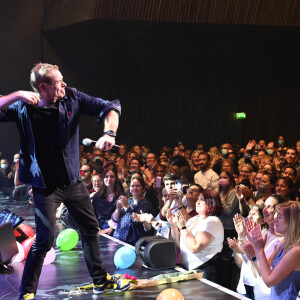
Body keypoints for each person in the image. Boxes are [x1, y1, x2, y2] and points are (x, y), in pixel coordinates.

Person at [0, 62, 130, 299]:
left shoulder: (71, 97)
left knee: (91, 229)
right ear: (43, 87)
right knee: (44, 240)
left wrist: (109, 133)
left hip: (72, 181)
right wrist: (17, 94)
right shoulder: (22, 106)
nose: (64, 84)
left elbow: (109, 107)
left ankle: (101, 281)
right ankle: (27, 293)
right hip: (45, 187)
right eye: (59, 81)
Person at [245, 201, 300, 299]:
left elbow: (269, 281)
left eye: (279, 217)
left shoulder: (296, 251)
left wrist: (259, 249)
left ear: (292, 221)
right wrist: (253, 241)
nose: (274, 222)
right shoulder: (284, 241)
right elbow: (267, 266)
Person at [167, 190, 224, 284]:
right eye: (198, 199)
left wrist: (182, 227)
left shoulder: (212, 221)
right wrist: (173, 225)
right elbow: (178, 244)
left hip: (206, 270)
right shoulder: (194, 219)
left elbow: (195, 247)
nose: (197, 202)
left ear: (212, 203)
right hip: (191, 269)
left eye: (202, 200)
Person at [112, 173, 155, 245]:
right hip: (118, 240)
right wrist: (118, 209)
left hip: (133, 244)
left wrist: (126, 207)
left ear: (143, 188)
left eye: (137, 186)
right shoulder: (129, 200)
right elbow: (114, 220)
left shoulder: (146, 204)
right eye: (132, 186)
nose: (134, 188)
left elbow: (136, 222)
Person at [92, 163, 122, 235]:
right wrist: (96, 228)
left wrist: (111, 228)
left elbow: (122, 218)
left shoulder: (121, 196)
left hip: (115, 231)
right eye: (106, 176)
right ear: (103, 179)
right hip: (98, 230)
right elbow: (93, 215)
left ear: (116, 179)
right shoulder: (96, 196)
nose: (109, 179)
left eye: (112, 177)